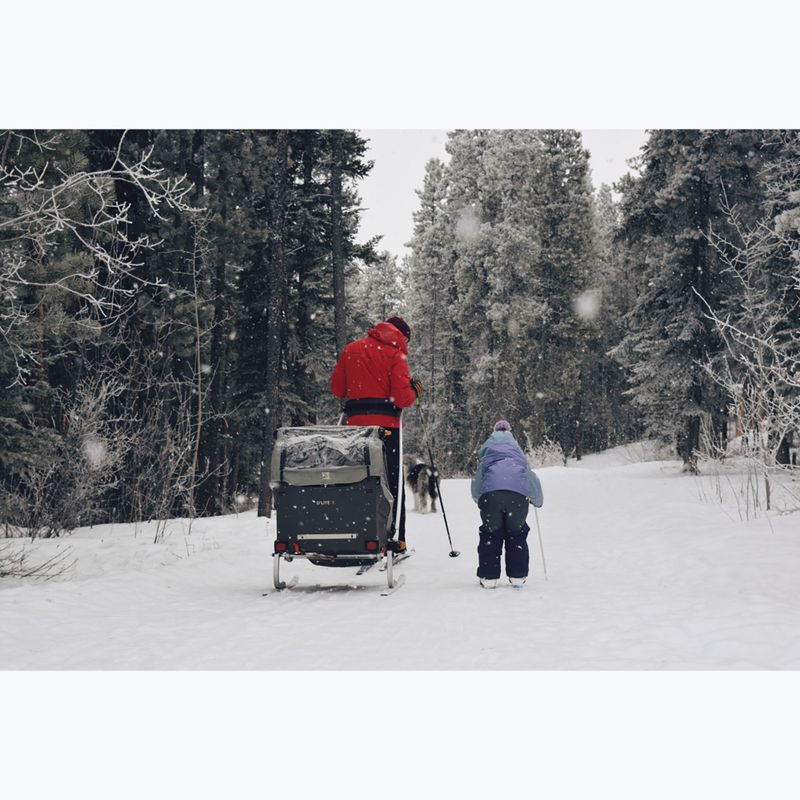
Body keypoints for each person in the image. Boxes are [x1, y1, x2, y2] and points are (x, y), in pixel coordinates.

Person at [330, 316, 422, 552]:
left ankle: (356, 531)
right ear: (402, 336)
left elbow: (337, 389)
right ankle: (395, 538)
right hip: (387, 428)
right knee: (391, 482)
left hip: (356, 429)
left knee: (357, 478)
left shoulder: (352, 349)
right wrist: (414, 391)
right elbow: (401, 398)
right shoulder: (396, 355)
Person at [471, 420, 543, 588]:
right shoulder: (518, 456)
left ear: (492, 434)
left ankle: (489, 578)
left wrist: (480, 499)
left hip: (491, 496)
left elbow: (477, 484)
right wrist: (537, 501)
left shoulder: (487, 456)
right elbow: (532, 481)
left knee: (491, 533)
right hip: (517, 497)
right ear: (511, 435)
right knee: (516, 534)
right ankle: (518, 576)